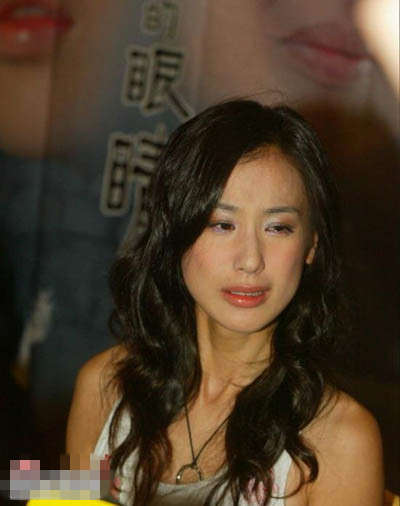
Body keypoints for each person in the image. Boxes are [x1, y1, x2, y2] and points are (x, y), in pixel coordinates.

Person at [66, 100, 384, 506]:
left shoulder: (341, 439)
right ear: (176, 231)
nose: (250, 260)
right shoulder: (103, 386)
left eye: (278, 227)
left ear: (311, 245)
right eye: (222, 224)